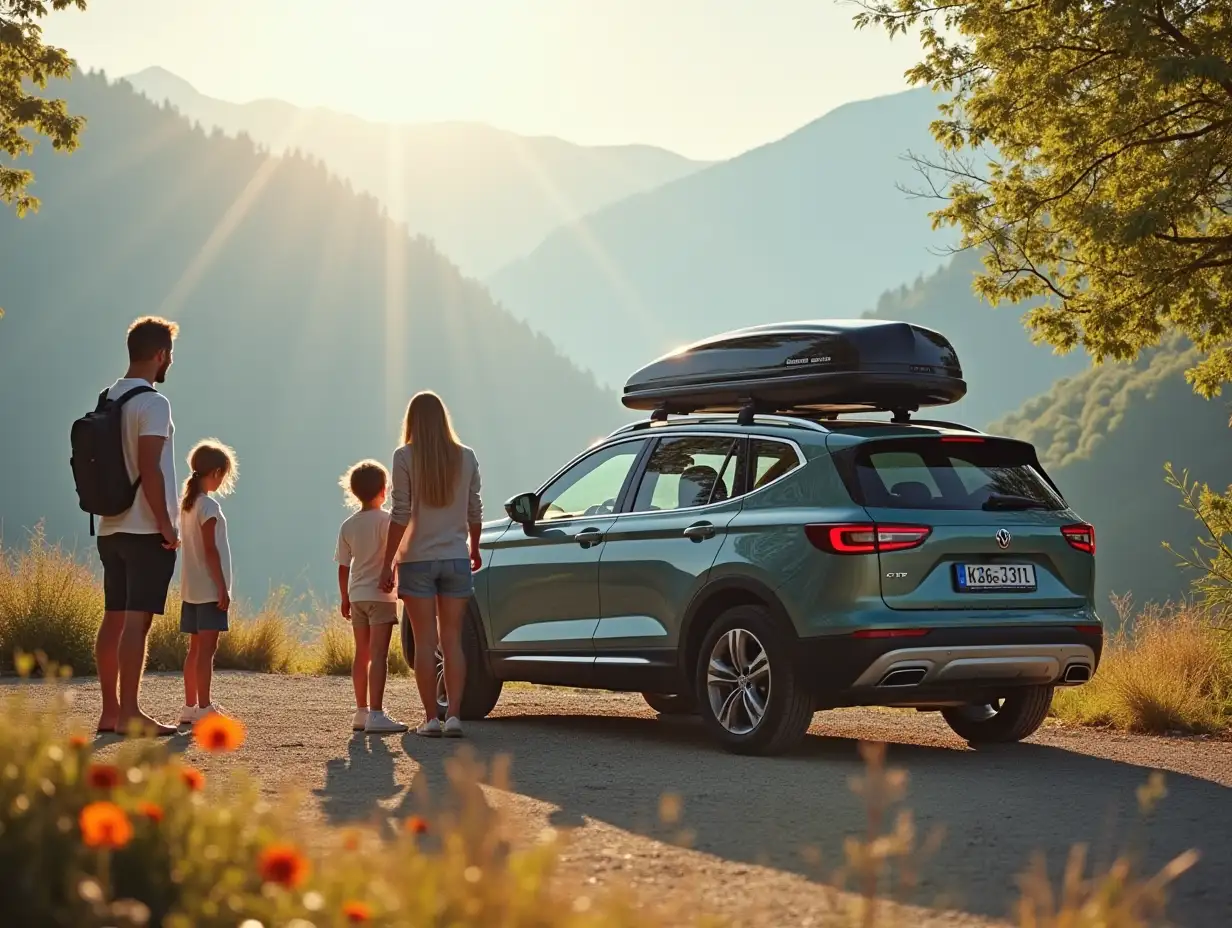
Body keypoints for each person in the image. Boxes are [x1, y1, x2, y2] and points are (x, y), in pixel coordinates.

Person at [95, 316, 181, 737]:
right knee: (136, 623)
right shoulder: (153, 403)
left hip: (109, 526)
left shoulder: (108, 397)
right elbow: (151, 468)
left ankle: (110, 713)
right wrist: (166, 525)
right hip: (144, 527)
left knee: (113, 619)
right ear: (160, 354)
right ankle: (130, 712)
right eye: (170, 355)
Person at [379, 391, 482, 738]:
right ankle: (453, 716)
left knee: (425, 642)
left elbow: (401, 513)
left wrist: (388, 561)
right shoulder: (466, 457)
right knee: (452, 641)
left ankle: (431, 719)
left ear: (411, 421)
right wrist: (475, 547)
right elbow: (474, 510)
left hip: (417, 560)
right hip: (456, 557)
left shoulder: (404, 456)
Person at [335, 460, 407, 735]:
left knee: (361, 653)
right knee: (379, 655)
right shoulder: (388, 521)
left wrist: (344, 597)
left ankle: (361, 711)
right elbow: (398, 555)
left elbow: (343, 566)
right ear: (384, 490)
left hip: (357, 595)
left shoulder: (348, 525)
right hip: (381, 595)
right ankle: (377, 713)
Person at [177, 439, 238, 725]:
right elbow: (211, 549)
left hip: (190, 589)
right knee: (207, 651)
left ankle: (190, 706)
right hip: (209, 589)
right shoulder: (209, 507)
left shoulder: (187, 505)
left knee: (194, 649)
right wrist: (222, 587)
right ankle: (204, 707)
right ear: (215, 472)